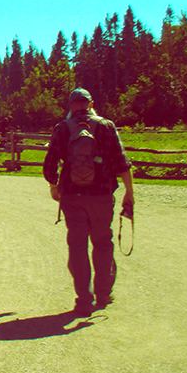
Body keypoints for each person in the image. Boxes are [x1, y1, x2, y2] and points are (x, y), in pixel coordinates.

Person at [43, 87, 135, 316]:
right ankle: (103, 294)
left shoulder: (62, 128)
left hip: (72, 197)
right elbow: (122, 162)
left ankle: (83, 300)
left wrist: (54, 185)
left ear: (70, 105)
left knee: (77, 246)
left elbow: (49, 164)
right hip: (101, 195)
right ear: (91, 103)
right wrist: (129, 192)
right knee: (102, 243)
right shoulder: (106, 126)